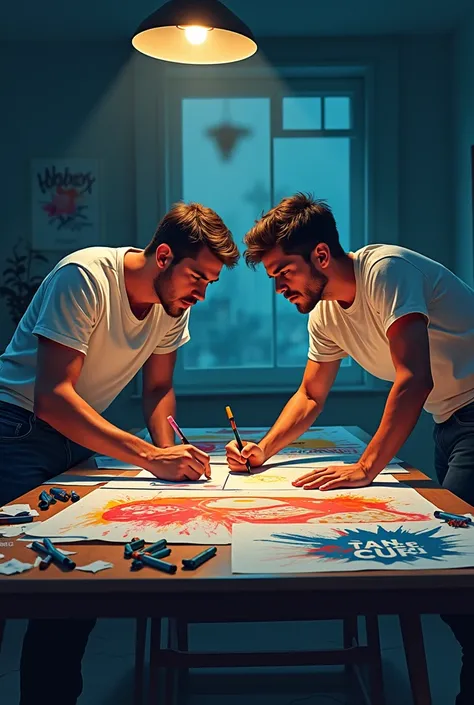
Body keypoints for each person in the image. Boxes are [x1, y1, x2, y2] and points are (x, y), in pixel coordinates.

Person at [226, 193, 474, 705]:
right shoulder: (324, 317)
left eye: (283, 271)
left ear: (320, 256)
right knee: (458, 576)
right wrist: (262, 451)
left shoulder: (386, 271)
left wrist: (366, 467)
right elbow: (311, 394)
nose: (278, 287)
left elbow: (414, 378)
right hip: (451, 421)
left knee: (454, 569)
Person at [0, 201, 239, 705]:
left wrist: (172, 449)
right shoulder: (85, 278)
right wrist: (149, 459)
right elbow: (52, 397)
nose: (201, 293)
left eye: (210, 283)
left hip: (73, 436)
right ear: (164, 255)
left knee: (71, 592)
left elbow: (157, 392)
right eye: (197, 277)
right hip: (16, 426)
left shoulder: (173, 307)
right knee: (13, 582)